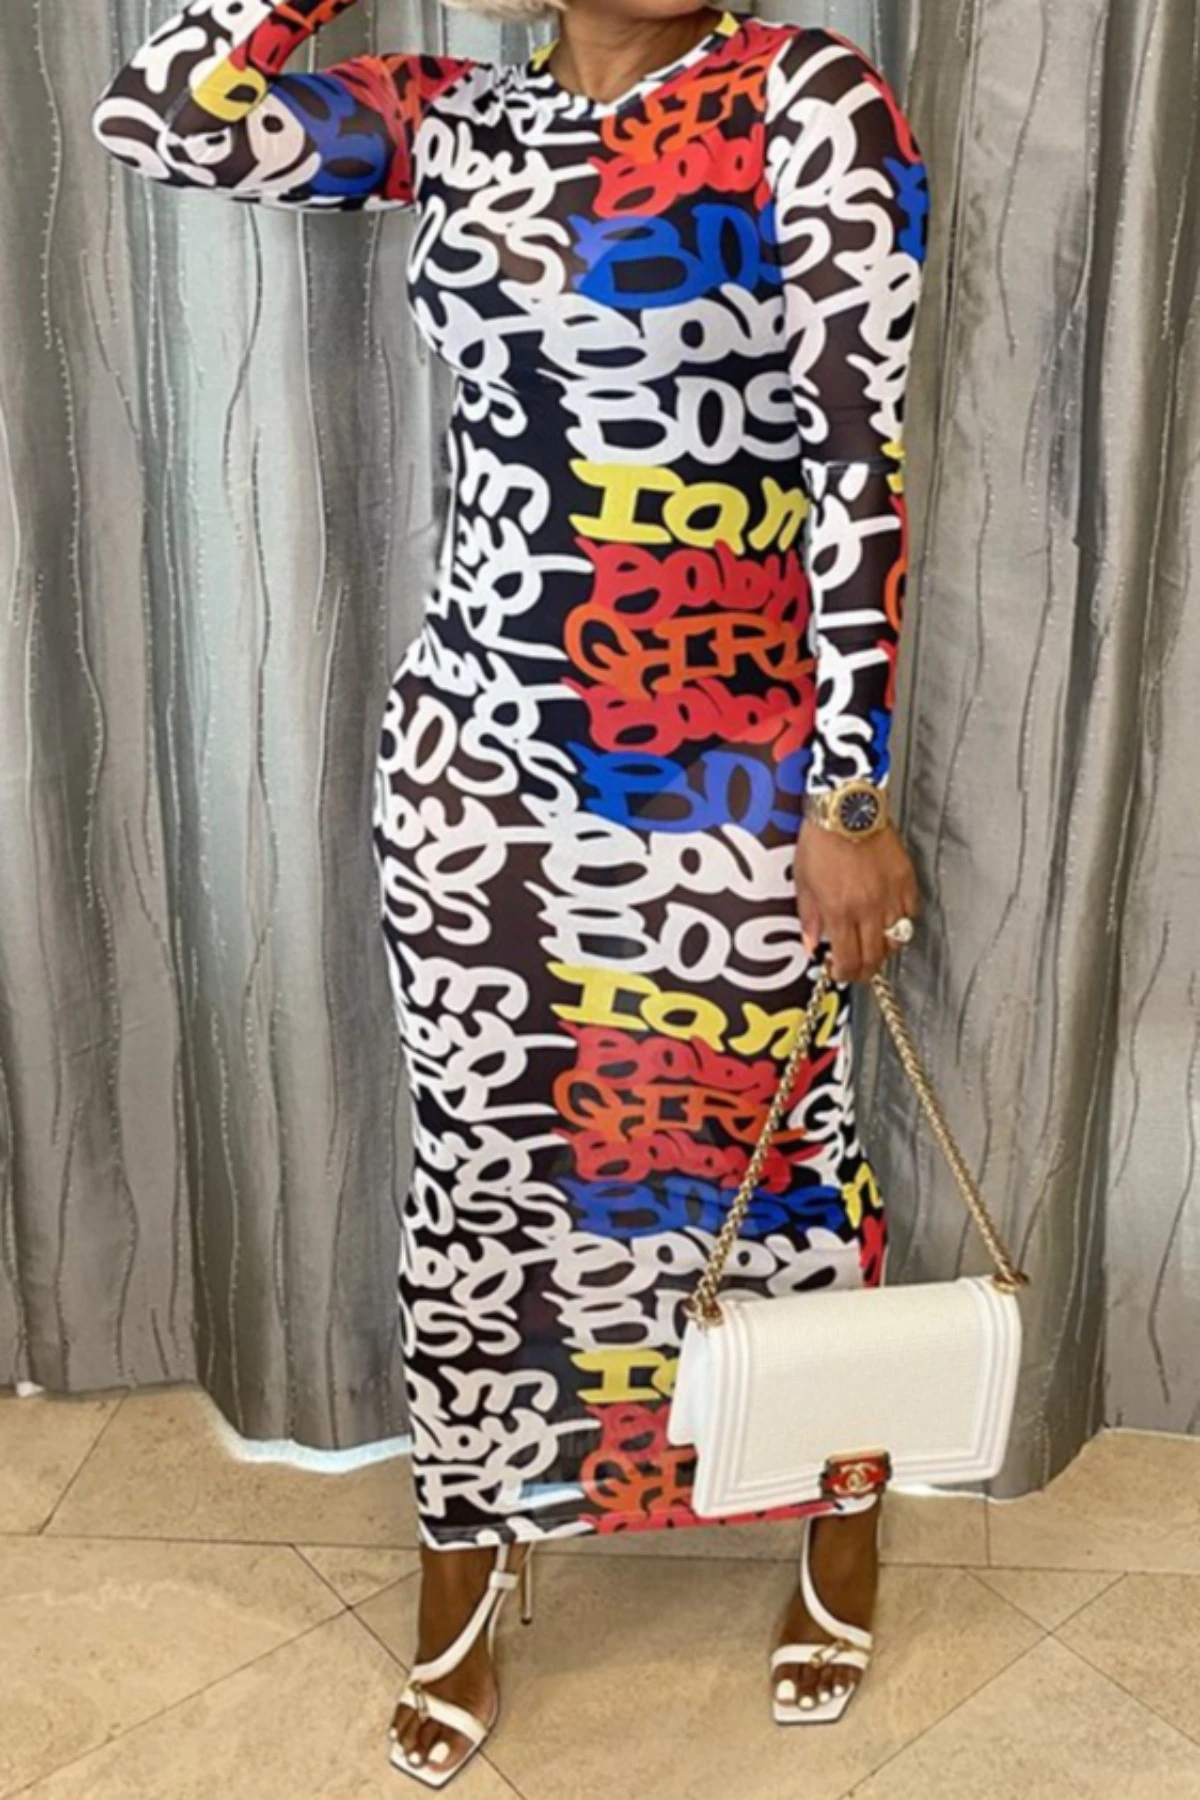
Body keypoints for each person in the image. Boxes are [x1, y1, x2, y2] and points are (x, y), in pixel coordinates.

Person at [93, 0, 928, 1786]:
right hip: (478, 770)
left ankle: (833, 1520)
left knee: (780, 1168)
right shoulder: (459, 120)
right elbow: (158, 116)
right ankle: (469, 1567)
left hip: (731, 785)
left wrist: (849, 792)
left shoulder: (807, 97)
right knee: (482, 1191)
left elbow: (860, 469)